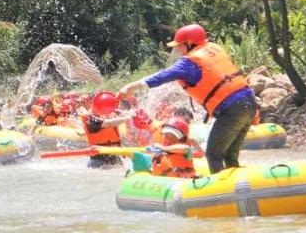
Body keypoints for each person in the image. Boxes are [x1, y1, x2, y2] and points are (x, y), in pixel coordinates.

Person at [119, 24, 256, 174]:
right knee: (230, 154)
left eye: (180, 46)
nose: (178, 50)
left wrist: (131, 87)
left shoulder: (189, 62)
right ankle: (238, 190)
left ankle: (223, 194)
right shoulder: (214, 49)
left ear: (190, 44)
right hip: (250, 103)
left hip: (231, 110)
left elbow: (162, 76)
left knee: (213, 154)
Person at [81, 91, 122, 169]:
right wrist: (127, 118)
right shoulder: (90, 118)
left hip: (114, 156)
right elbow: (107, 123)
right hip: (97, 159)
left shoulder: (110, 115)